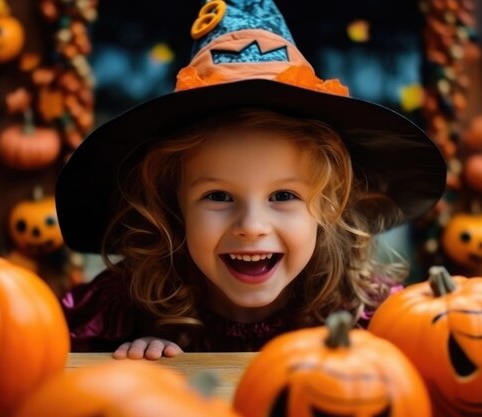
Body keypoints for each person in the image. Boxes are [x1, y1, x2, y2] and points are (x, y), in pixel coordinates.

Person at [55, 0, 446, 360]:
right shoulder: (125, 305)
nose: (252, 227)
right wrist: (124, 360)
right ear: (173, 204)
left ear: (328, 205)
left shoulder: (370, 312)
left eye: (283, 195)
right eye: (219, 195)